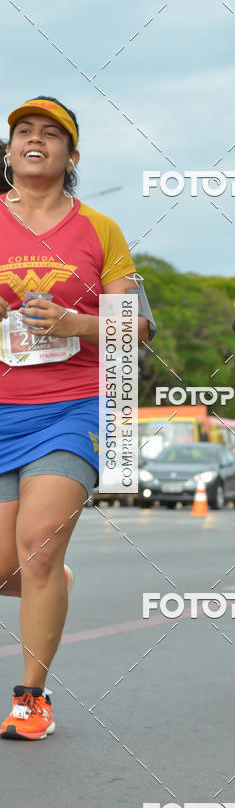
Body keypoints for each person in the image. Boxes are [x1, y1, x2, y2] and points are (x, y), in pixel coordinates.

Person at [0, 97, 150, 740]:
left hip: (75, 407)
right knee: (17, 567)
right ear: (8, 152)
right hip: (3, 407)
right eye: (23, 132)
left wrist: (73, 324)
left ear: (72, 157)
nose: (35, 140)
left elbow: (136, 329)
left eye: (50, 134)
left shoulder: (101, 230)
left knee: (36, 541)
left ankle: (31, 699)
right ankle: (49, 578)